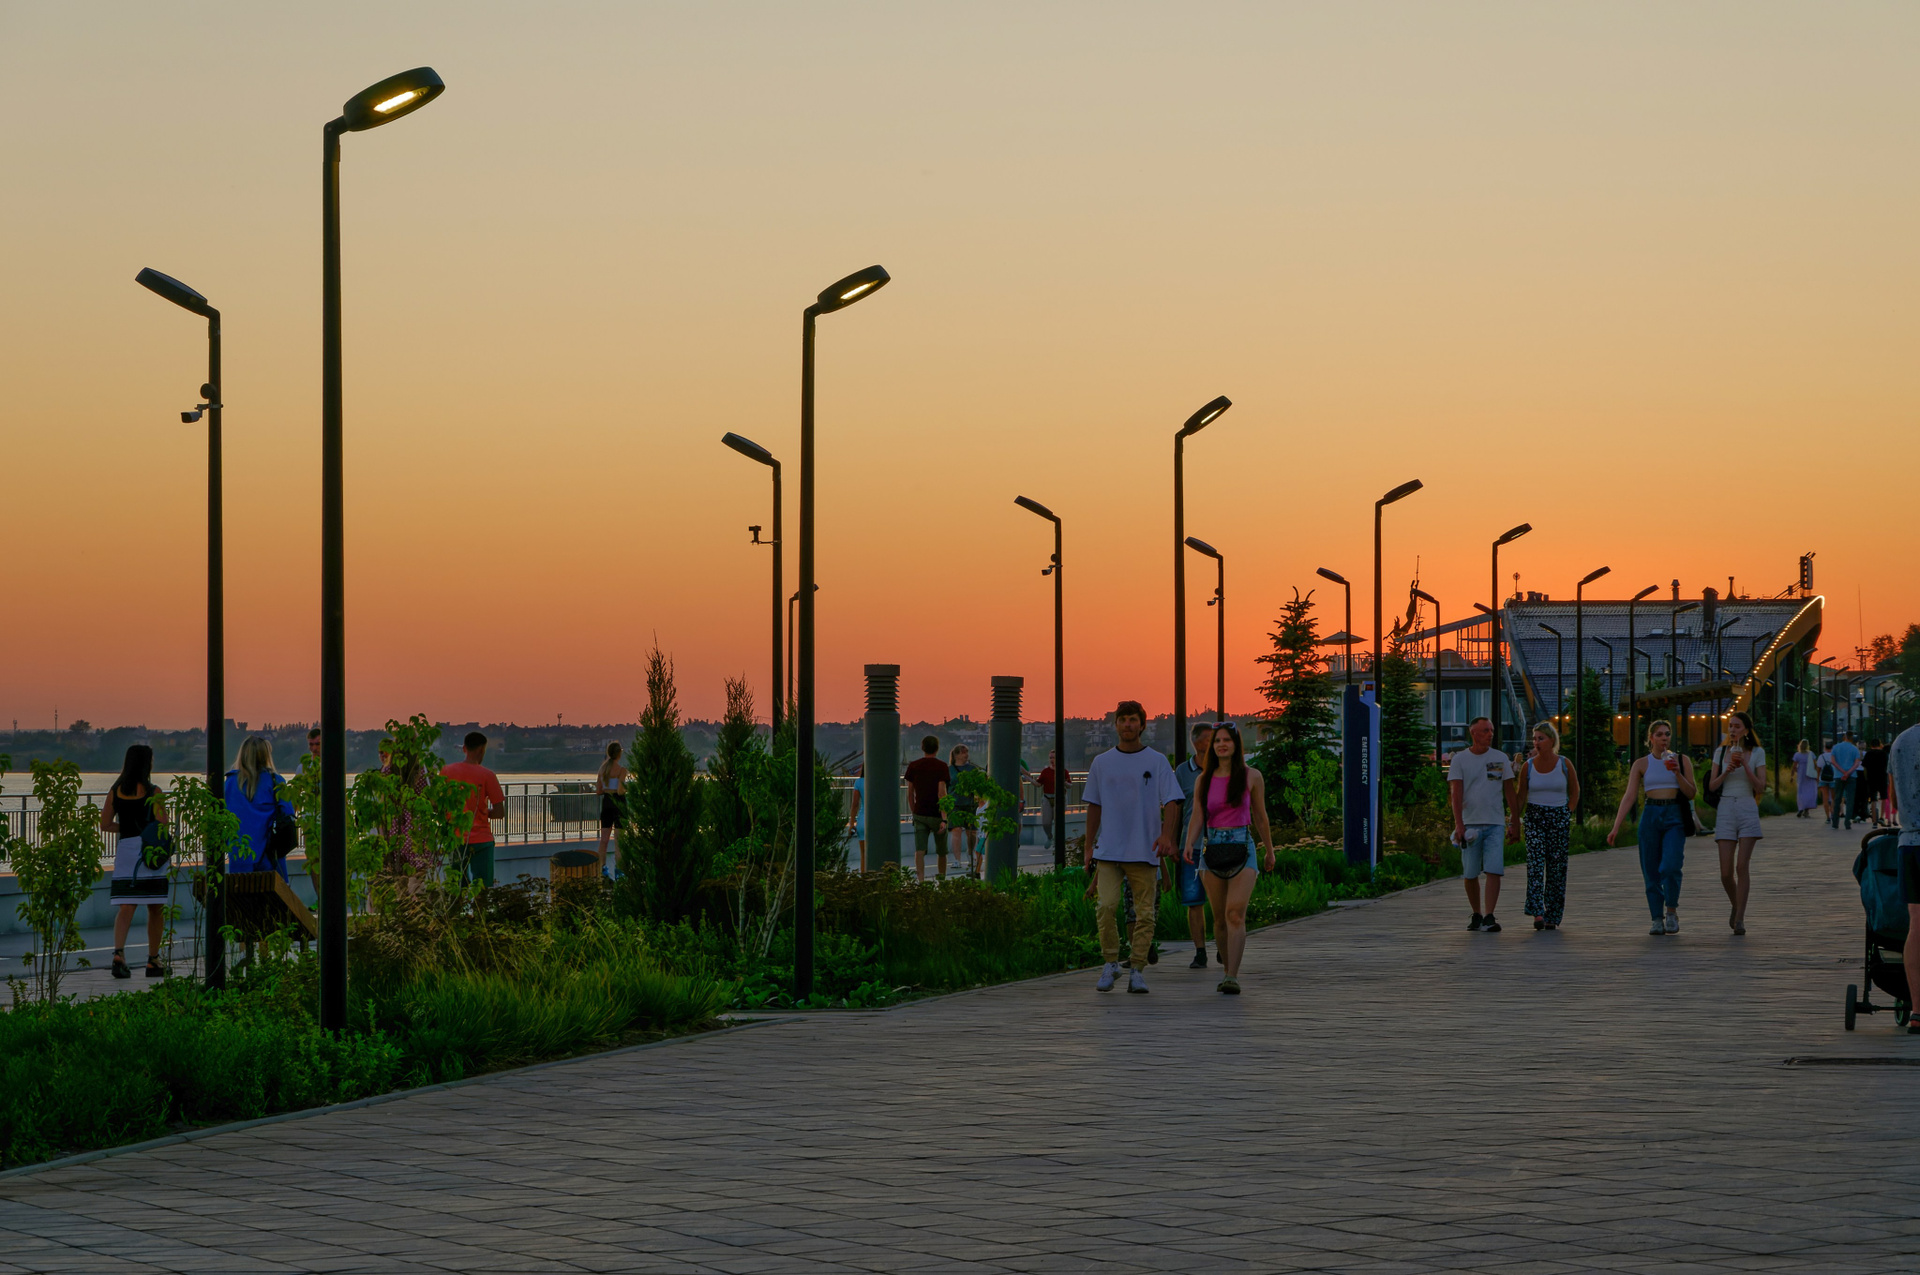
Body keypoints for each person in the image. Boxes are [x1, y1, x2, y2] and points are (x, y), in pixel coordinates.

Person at [1083, 700, 1183, 994]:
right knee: (1106, 906)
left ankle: (1137, 968)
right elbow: (1094, 805)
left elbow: (1173, 801)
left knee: (1145, 914)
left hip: (1144, 850)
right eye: (1122, 719)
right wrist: (1089, 847)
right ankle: (1110, 962)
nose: (1127, 724)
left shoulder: (1156, 761)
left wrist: (1167, 837)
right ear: (1115, 724)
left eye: (1133, 720)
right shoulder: (1102, 762)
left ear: (1142, 725)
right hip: (1109, 851)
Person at [1180, 722, 1274, 994]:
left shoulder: (1251, 776)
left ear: (1236, 745)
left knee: (1235, 914)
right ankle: (1225, 971)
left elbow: (1260, 816)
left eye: (1227, 740)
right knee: (1220, 918)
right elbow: (1198, 815)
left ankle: (1232, 975)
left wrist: (1269, 850)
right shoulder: (1204, 779)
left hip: (1242, 846)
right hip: (1212, 848)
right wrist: (1189, 843)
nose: (1222, 745)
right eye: (1217, 741)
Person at [1607, 719, 1697, 935]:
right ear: (1651, 738)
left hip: (1674, 814)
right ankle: (1656, 917)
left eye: (1667, 734)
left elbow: (1692, 793)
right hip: (1651, 814)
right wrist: (1616, 826)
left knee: (1671, 865)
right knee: (1650, 869)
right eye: (1659, 734)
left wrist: (1677, 773)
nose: (1664, 738)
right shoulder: (1641, 764)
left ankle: (1671, 910)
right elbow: (1630, 796)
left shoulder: (1681, 760)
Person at [100, 744, 168, 978]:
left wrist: (127, 827)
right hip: (149, 852)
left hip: (126, 852)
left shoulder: (115, 791)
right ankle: (153, 960)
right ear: (147, 764)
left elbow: (105, 824)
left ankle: (119, 953)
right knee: (155, 907)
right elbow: (162, 824)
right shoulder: (154, 792)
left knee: (126, 905)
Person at [1509, 721, 1580, 932]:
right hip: (1535, 817)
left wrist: (1567, 811)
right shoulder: (1528, 766)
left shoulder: (1564, 764)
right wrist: (1514, 820)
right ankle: (1537, 912)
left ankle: (1553, 914)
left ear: (1551, 740)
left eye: (1541, 738)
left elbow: (1575, 790)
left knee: (1557, 867)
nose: (1536, 742)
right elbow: (1521, 796)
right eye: (1534, 739)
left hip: (1558, 816)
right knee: (1536, 863)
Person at [1448, 716, 1516, 933]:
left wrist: (1514, 820)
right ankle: (1476, 912)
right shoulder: (1460, 760)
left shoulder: (1499, 758)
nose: (1490, 734)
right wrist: (1459, 824)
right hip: (1470, 824)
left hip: (1495, 822)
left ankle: (1489, 915)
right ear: (1473, 733)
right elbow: (1456, 793)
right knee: (1470, 872)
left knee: (1494, 869)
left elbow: (1508, 790)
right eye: (1485, 730)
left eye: (1491, 730)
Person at [1708, 710, 1765, 936]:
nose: (1732, 730)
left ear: (1746, 730)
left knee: (1742, 866)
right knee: (1725, 872)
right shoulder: (1720, 752)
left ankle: (1740, 918)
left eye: (1737, 726)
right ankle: (1736, 904)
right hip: (1725, 807)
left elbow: (1760, 787)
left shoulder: (1757, 752)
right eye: (1730, 726)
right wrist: (1727, 771)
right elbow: (1712, 786)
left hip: (1747, 806)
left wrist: (1745, 766)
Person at [1173, 724, 1217, 967]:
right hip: (1191, 846)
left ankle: (1223, 945)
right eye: (1209, 739)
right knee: (1194, 901)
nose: (1213, 743)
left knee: (1221, 900)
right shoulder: (1182, 772)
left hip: (1221, 844)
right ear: (1196, 742)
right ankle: (1200, 951)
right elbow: (1175, 809)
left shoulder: (1223, 768)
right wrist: (1172, 842)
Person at [223, 736, 295, 880]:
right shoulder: (275, 781)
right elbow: (288, 813)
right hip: (269, 855)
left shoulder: (230, 782)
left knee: (240, 891)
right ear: (266, 755)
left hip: (239, 855)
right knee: (274, 892)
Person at [441, 731, 506, 886]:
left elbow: (439, 804)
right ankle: (479, 903)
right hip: (482, 840)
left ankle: (457, 902)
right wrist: (482, 813)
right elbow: (499, 812)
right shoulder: (487, 775)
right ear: (481, 750)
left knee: (456, 886)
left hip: (456, 838)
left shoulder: (446, 771)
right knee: (482, 887)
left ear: (464, 749)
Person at [1889, 723, 1920, 1035]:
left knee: (1917, 926)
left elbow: (1894, 801)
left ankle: (1917, 1011)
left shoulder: (1901, 741)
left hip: (1910, 844)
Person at [904, 736, 950, 881]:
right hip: (936, 815)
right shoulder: (942, 767)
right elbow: (941, 793)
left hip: (920, 814)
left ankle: (921, 881)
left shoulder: (914, 766)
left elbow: (910, 793)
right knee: (941, 851)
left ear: (922, 747)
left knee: (920, 850)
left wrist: (914, 811)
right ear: (937, 748)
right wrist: (944, 818)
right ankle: (941, 880)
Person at [947, 744, 982, 877]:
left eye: (967, 752)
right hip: (955, 804)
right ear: (956, 755)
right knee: (956, 830)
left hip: (970, 804)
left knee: (971, 832)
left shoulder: (972, 769)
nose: (966, 755)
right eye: (963, 752)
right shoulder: (950, 770)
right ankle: (957, 859)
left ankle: (970, 853)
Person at [594, 742, 627, 875]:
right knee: (619, 841)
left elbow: (598, 790)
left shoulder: (602, 770)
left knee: (604, 840)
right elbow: (620, 790)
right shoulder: (621, 770)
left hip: (606, 802)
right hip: (618, 803)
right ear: (619, 753)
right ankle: (619, 872)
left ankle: (602, 870)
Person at [1829, 732, 1861, 830]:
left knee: (1837, 799)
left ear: (1844, 737)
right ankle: (1847, 822)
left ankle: (1835, 822)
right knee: (1850, 800)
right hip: (1851, 776)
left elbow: (1833, 761)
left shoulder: (1836, 747)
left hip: (1838, 776)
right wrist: (1848, 772)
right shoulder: (1855, 749)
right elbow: (1857, 763)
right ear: (1852, 738)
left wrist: (1842, 771)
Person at [1862, 737, 1889, 827]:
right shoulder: (1884, 754)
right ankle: (1881, 817)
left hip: (1871, 778)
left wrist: (1866, 778)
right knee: (1884, 798)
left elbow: (1865, 767)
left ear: (1871, 745)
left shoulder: (1868, 754)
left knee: (1873, 799)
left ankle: (1874, 821)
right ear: (1879, 744)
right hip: (1882, 778)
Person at [1037, 750, 1059, 848]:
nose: (1052, 760)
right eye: (1050, 758)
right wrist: (1029, 778)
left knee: (1058, 820)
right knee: (1046, 822)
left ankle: (1058, 841)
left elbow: (1069, 784)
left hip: (1058, 798)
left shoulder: (1063, 771)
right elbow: (1038, 783)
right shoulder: (1045, 772)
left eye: (1054, 757)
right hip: (1047, 797)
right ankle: (1049, 836)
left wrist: (1066, 783)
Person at [1792, 739, 1819, 818]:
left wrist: (1793, 774)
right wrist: (1817, 775)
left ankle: (1801, 808)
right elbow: (1815, 765)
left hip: (1801, 775)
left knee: (1801, 792)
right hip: (1809, 775)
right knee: (1809, 792)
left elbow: (1794, 766)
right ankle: (1806, 811)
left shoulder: (1797, 755)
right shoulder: (1811, 754)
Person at [849, 764, 866, 873]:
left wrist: (851, 823)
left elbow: (855, 804)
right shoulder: (879, 782)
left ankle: (864, 879)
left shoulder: (859, 782)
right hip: (877, 821)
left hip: (862, 820)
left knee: (864, 855)